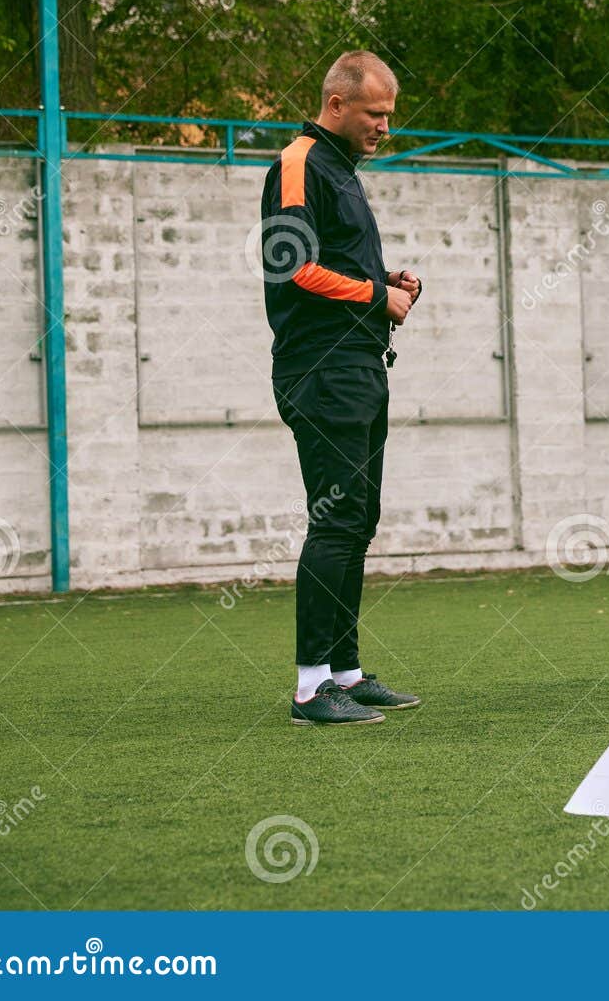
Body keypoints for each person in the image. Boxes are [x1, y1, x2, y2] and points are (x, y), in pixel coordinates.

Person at [261, 50, 424, 725]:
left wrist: (393, 286)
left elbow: (341, 269)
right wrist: (372, 294)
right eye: (375, 114)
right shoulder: (299, 162)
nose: (385, 126)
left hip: (357, 365)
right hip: (320, 368)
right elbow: (293, 265)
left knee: (358, 518)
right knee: (334, 519)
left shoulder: (344, 171)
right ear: (337, 105)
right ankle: (308, 688)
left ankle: (345, 673)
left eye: (389, 115)